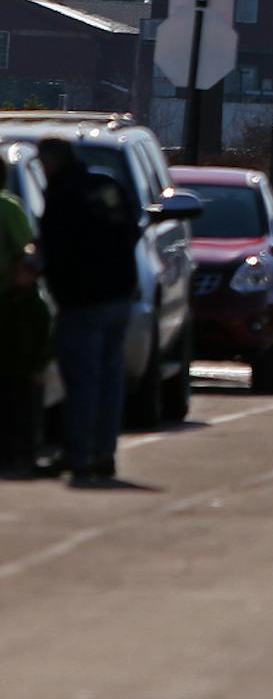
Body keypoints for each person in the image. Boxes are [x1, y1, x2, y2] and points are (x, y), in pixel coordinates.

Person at [36, 138, 139, 485]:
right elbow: (131, 231)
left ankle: (80, 455)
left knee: (81, 382)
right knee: (109, 380)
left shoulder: (63, 194)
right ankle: (103, 453)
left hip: (81, 301)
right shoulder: (107, 185)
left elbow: (53, 245)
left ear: (52, 161)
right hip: (118, 296)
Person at [0, 180, 53, 477]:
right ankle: (20, 455)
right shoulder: (9, 208)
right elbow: (27, 248)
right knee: (20, 402)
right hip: (9, 309)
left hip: (13, 318)